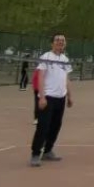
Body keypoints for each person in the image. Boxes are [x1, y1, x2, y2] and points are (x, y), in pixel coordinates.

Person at [30, 34, 73, 167]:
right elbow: (41, 77)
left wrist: (70, 96)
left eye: (63, 40)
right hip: (48, 97)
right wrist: (42, 97)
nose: (60, 42)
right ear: (52, 43)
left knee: (56, 126)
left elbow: (66, 79)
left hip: (61, 98)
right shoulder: (46, 57)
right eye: (57, 40)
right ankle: (35, 154)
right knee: (43, 126)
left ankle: (48, 150)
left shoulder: (65, 59)